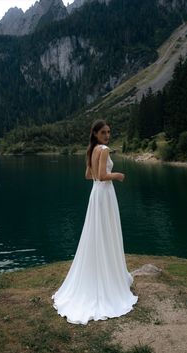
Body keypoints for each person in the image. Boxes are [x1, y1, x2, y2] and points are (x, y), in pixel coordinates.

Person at [51, 119, 138, 325]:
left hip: (96, 194)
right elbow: (100, 175)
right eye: (104, 132)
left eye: (109, 132)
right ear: (96, 133)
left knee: (97, 233)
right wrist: (116, 175)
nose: (107, 135)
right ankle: (109, 278)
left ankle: (100, 274)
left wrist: (102, 178)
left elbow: (88, 175)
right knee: (106, 232)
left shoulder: (91, 149)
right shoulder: (105, 150)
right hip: (105, 194)